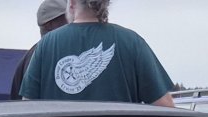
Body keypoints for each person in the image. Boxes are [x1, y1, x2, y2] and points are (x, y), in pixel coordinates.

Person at [19, 0, 174, 106]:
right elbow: (165, 108)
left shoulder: (46, 45)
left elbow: (27, 111)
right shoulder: (132, 42)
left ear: (72, 3)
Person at [10, 0, 70, 99]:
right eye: (66, 18)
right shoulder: (39, 56)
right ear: (49, 24)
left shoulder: (35, 55)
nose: (72, 22)